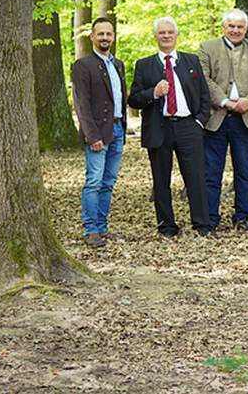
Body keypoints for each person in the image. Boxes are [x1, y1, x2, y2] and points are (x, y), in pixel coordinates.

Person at [129, 17, 213, 238]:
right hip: (159, 127)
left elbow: (204, 95)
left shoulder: (191, 62)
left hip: (188, 126)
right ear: (155, 36)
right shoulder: (144, 65)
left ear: (176, 36)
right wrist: (153, 93)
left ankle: (202, 224)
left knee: (196, 176)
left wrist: (199, 122)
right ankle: (167, 226)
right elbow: (134, 99)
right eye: (161, 33)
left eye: (170, 32)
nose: (166, 36)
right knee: (161, 179)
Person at [198, 9, 248, 232]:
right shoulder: (207, 48)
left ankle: (242, 216)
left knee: (244, 171)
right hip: (216, 119)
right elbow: (204, 79)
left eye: (240, 27)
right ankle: (210, 218)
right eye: (231, 26)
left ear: (246, 29)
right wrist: (224, 101)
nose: (235, 30)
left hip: (246, 119)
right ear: (224, 27)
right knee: (212, 172)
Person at [71, 17, 127, 248]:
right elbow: (81, 104)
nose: (105, 38)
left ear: (113, 37)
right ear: (92, 37)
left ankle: (102, 227)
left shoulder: (118, 64)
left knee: (108, 181)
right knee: (93, 181)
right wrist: (92, 136)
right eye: (100, 34)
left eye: (109, 34)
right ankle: (90, 229)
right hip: (97, 131)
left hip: (117, 129)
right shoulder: (83, 65)